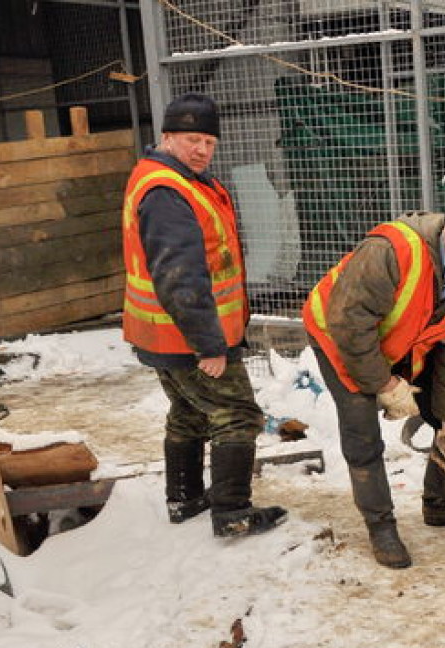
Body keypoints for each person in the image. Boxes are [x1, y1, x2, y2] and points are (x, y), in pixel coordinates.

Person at [301, 187, 445, 569]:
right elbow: (350, 325)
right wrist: (385, 385)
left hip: (403, 343)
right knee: (361, 427)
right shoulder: (391, 250)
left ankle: (441, 503)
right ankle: (380, 525)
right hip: (340, 335)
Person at [121, 92, 287, 538]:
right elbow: (180, 276)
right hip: (187, 336)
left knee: (189, 411)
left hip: (164, 335)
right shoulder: (167, 192)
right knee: (238, 415)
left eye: (209, 142)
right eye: (192, 139)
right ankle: (232, 512)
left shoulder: (175, 180)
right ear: (167, 137)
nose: (202, 150)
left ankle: (185, 499)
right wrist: (208, 345)